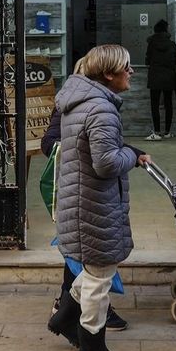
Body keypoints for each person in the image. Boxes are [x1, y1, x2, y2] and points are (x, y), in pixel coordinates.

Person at [46, 44, 149, 351]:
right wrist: (131, 156)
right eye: (126, 68)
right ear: (109, 74)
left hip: (81, 202)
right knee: (99, 277)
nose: (131, 72)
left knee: (92, 272)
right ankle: (92, 349)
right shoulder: (101, 109)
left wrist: (126, 149)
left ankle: (64, 318)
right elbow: (105, 163)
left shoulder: (78, 102)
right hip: (93, 203)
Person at [41, 104, 128, 332]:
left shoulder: (102, 106)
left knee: (79, 252)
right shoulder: (74, 107)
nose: (130, 74)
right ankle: (86, 326)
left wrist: (131, 152)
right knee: (83, 253)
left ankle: (67, 309)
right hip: (79, 192)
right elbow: (49, 143)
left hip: (90, 192)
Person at [144, 19, 176, 141]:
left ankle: (156, 132)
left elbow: (147, 60)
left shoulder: (151, 43)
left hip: (155, 77)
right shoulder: (171, 44)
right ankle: (167, 132)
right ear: (166, 30)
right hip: (169, 77)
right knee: (168, 104)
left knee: (155, 105)